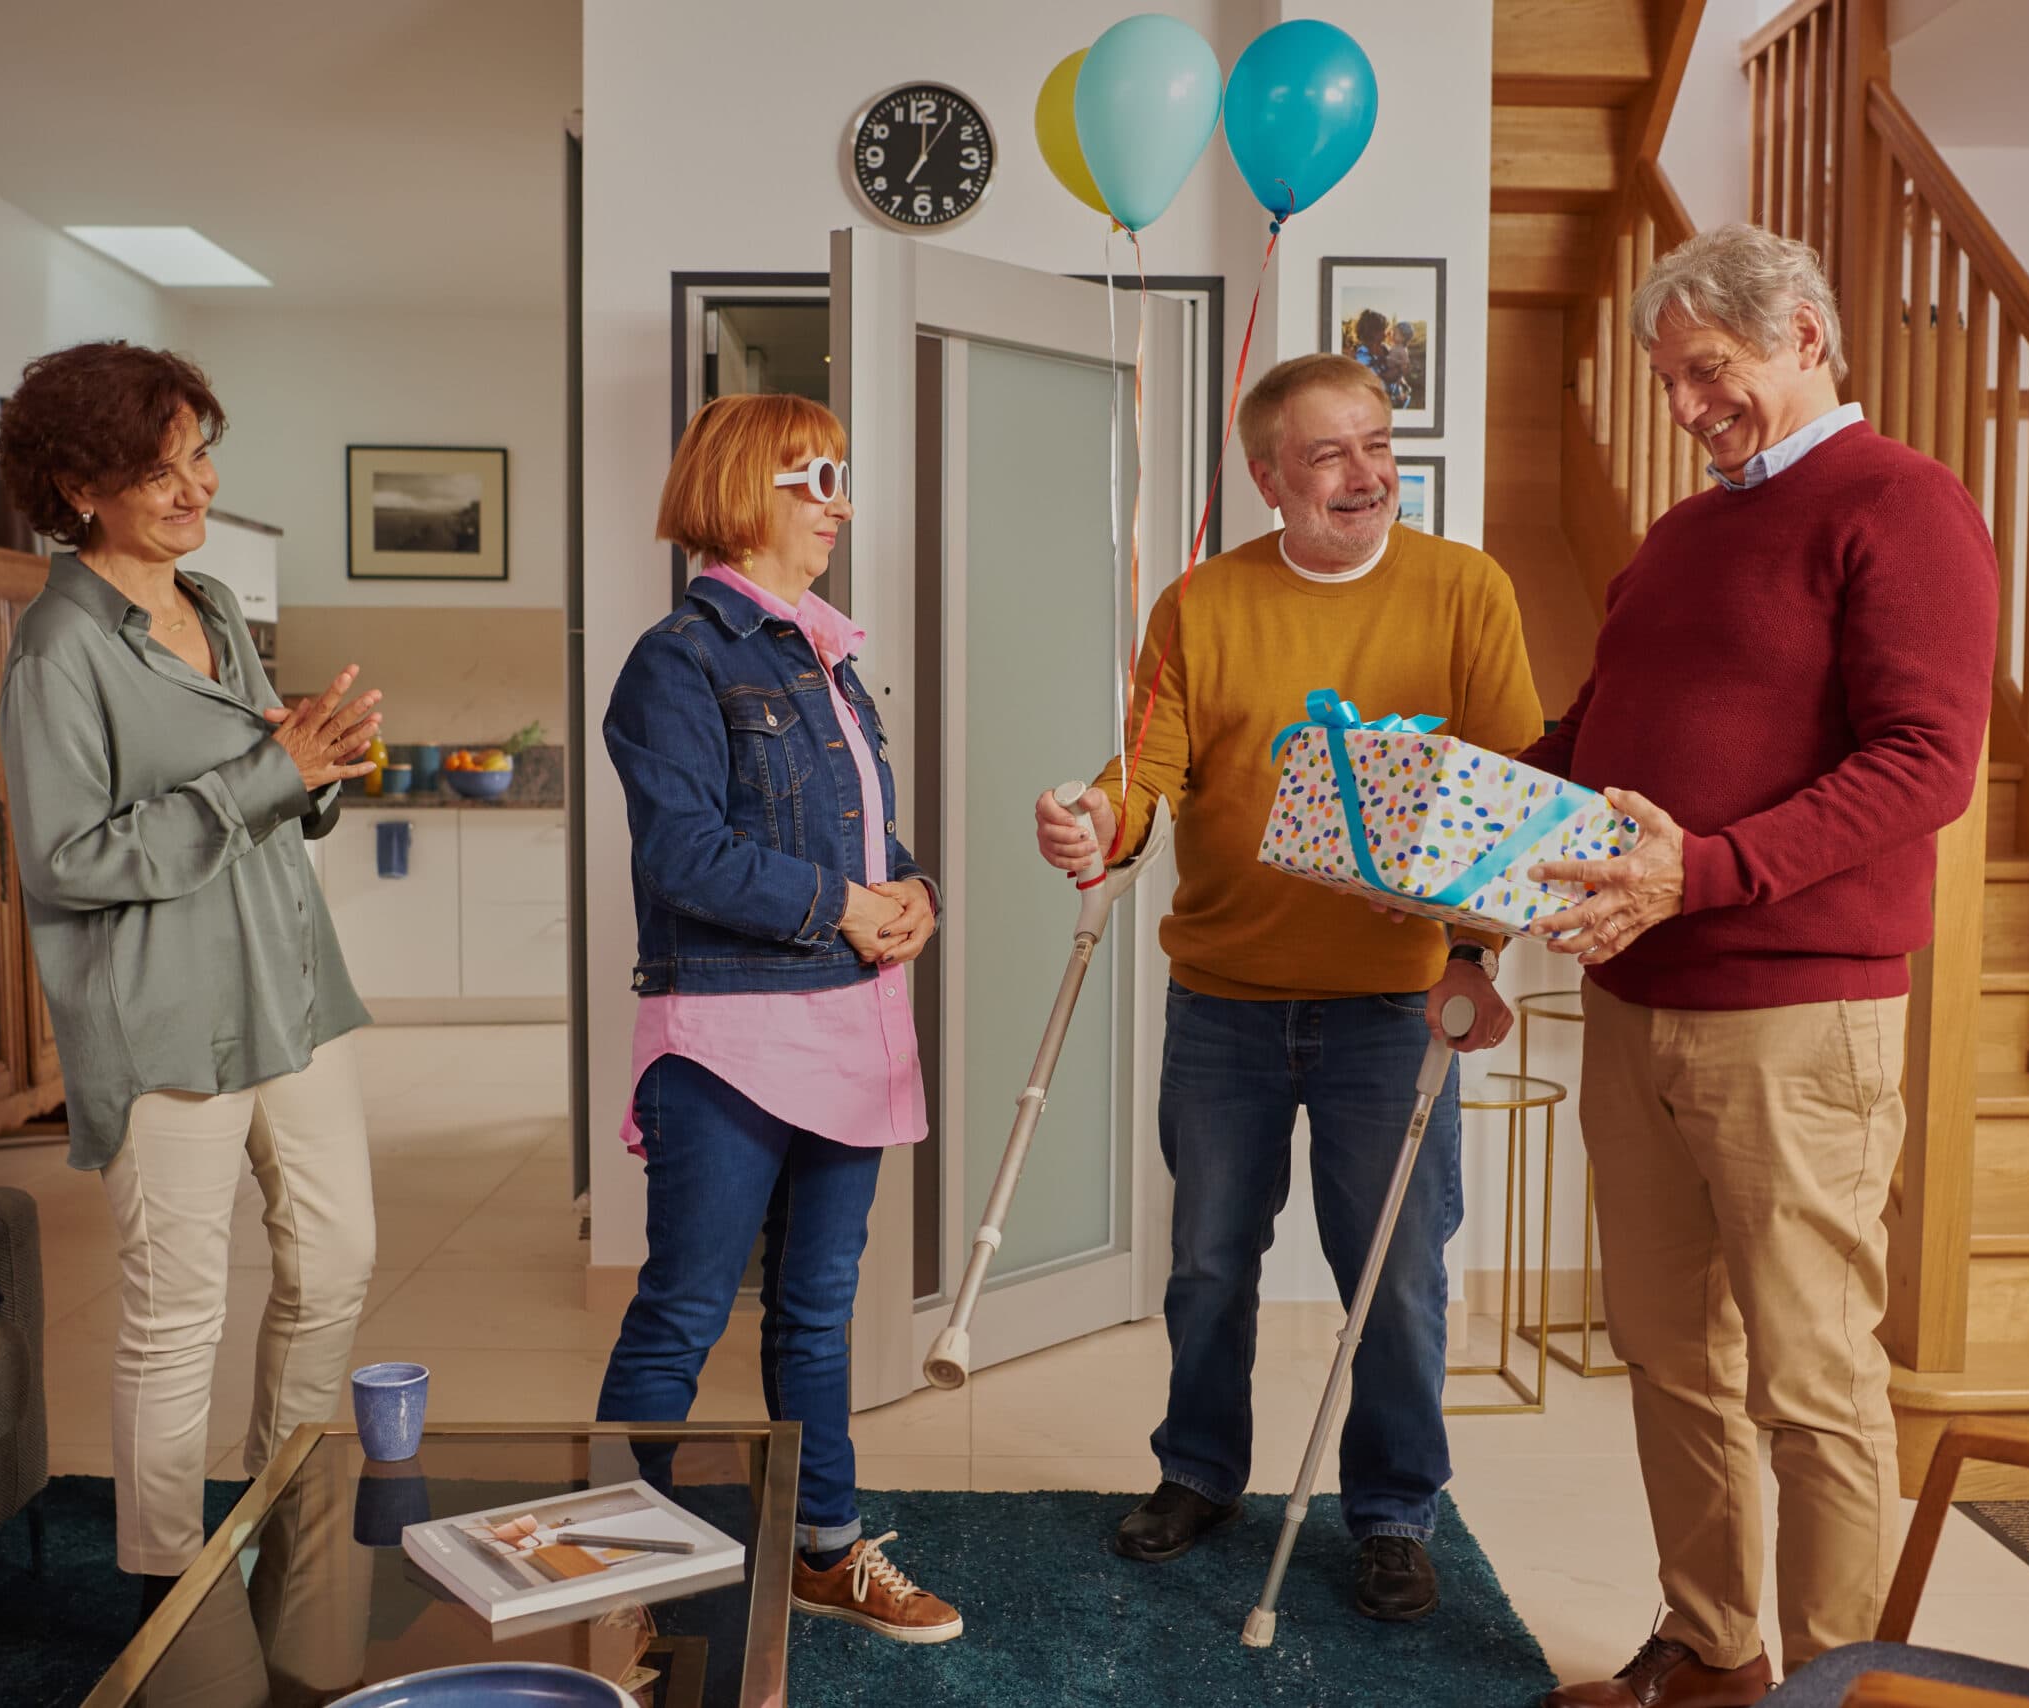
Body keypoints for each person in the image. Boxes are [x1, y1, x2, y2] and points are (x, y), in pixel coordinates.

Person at [1521, 225, 1997, 1706]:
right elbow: (1592, 744)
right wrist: (1448, 808)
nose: (1685, 407)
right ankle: (1715, 1643)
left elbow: (1926, 764)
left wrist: (1701, 871)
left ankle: (1842, 1685)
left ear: (1803, 332)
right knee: (1668, 1357)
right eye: (1670, 380)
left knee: (1813, 1380)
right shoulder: (1678, 535)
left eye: (1707, 372)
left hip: (1797, 1017)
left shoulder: (1902, 505)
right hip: (1634, 1005)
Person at [1034, 353, 1541, 1622]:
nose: (1366, 474)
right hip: (1226, 998)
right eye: (1329, 455)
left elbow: (1516, 787)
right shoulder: (1201, 604)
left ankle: (1389, 1510)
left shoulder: (1466, 591)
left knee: (1399, 1275)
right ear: (1268, 478)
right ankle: (1199, 1473)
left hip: (1394, 1006)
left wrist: (1475, 952)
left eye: (1377, 443)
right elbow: (1145, 769)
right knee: (1209, 1260)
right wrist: (1097, 817)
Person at [0, 343, 387, 1618]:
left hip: (291, 989)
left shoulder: (211, 607)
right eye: (154, 469)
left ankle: (286, 1530)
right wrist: (267, 778)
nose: (191, 487)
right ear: (77, 486)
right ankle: (173, 1599)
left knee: (333, 1260)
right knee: (177, 1320)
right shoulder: (57, 648)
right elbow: (66, 859)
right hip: (162, 1018)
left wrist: (314, 767)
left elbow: (265, 780)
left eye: (197, 455)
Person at [597, 393, 961, 1645]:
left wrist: (911, 889)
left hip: (846, 1026)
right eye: (817, 478)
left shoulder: (828, 658)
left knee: (817, 1312)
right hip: (731, 1038)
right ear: (751, 487)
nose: (839, 504)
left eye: (839, 479)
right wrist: (850, 907)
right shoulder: (677, 659)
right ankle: (615, 1573)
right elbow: (687, 854)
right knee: (684, 1311)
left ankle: (825, 1550)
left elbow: (858, 832)